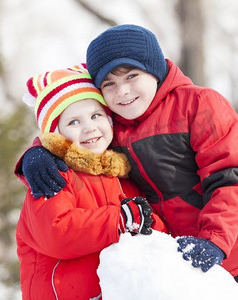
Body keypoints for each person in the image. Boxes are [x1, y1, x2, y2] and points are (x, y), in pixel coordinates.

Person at [19, 25, 238, 300]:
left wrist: (215, 241)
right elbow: (74, 135)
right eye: (109, 83)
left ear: (154, 70)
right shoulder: (115, 126)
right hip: (184, 267)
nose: (122, 91)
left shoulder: (198, 104)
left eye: (131, 76)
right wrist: (37, 152)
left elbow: (229, 177)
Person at [15, 64, 166, 300]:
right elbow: (56, 233)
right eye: (73, 122)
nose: (89, 127)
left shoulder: (121, 175)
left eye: (96, 115)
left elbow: (146, 224)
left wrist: (151, 224)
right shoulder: (53, 174)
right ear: (56, 134)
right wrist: (121, 219)